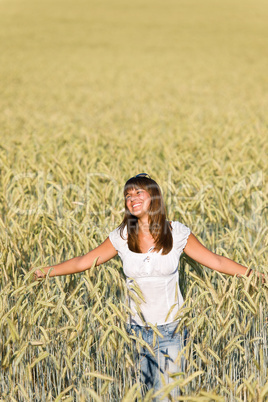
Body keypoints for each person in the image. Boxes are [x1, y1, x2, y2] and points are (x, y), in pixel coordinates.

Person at [33, 173, 258, 399]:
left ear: (154, 197)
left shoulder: (176, 232)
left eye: (139, 192)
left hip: (172, 330)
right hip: (136, 331)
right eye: (128, 195)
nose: (132, 198)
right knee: (147, 396)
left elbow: (216, 261)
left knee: (166, 396)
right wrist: (45, 271)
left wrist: (254, 276)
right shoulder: (122, 236)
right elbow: (84, 262)